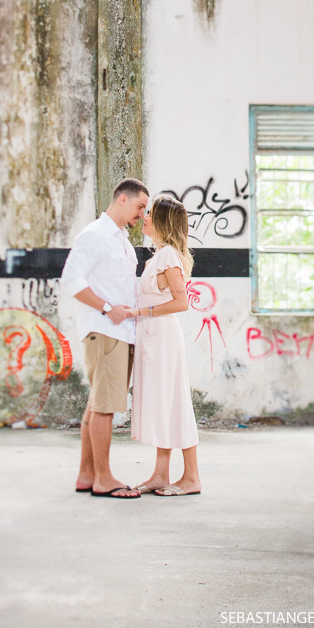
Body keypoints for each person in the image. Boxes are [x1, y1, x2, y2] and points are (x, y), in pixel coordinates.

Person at [60, 178, 149, 499]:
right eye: (140, 206)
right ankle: (104, 478)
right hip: (105, 330)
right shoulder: (95, 235)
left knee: (96, 405)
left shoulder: (121, 240)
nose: (142, 214)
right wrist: (108, 308)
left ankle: (87, 475)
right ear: (122, 200)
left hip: (120, 332)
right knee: (105, 408)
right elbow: (71, 279)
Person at [128, 194, 201, 496]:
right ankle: (160, 474)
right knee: (162, 404)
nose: (143, 217)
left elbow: (181, 302)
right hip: (152, 339)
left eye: (149, 214)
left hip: (163, 340)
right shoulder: (160, 256)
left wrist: (141, 312)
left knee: (174, 403)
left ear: (160, 221)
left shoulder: (169, 255)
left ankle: (192, 478)